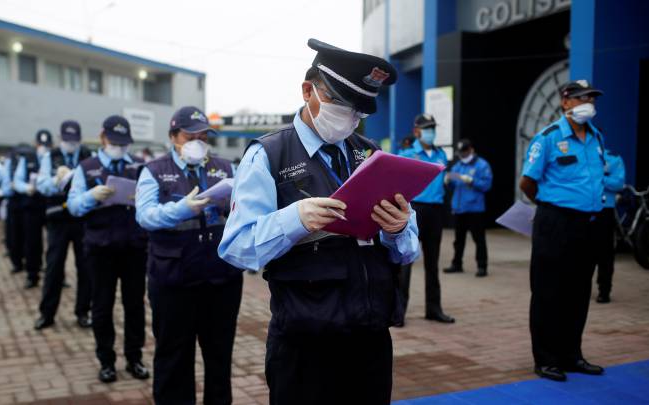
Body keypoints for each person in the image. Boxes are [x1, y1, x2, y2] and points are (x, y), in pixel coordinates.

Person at [219, 39, 419, 405]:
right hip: (306, 339)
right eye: (340, 103)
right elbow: (236, 247)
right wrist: (294, 219)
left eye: (358, 111)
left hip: (370, 333)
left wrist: (398, 229)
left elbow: (407, 251)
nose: (349, 117)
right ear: (308, 90)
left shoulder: (370, 154)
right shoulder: (268, 154)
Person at [136, 106, 243, 405]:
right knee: (174, 357)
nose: (198, 141)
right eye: (190, 135)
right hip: (174, 280)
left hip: (221, 278)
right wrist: (183, 208)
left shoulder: (225, 168)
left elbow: (243, 209)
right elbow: (145, 216)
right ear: (173, 137)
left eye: (203, 136)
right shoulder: (153, 170)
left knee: (219, 357)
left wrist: (229, 205)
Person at [519, 79, 607, 382]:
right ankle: (546, 359)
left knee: (579, 291)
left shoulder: (596, 138)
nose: (589, 103)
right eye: (583, 98)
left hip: (589, 225)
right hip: (555, 223)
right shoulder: (547, 138)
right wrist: (551, 207)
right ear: (565, 101)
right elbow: (527, 183)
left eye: (592, 98)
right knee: (548, 293)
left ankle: (572, 355)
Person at [67, 115, 149, 383]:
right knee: (102, 305)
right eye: (114, 142)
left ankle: (134, 357)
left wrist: (143, 199)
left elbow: (152, 202)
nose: (119, 147)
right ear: (102, 138)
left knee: (134, 304)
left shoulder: (138, 166)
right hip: (100, 249)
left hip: (134, 247)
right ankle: (106, 360)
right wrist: (91, 196)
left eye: (124, 143)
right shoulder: (86, 167)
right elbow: (74, 205)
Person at [34, 120, 93, 330]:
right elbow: (41, 185)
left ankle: (83, 311)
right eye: (67, 140)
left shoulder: (87, 155)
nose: (71, 144)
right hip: (58, 220)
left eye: (74, 140)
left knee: (85, 267)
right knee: (54, 266)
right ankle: (47, 313)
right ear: (60, 139)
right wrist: (55, 180)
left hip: (82, 219)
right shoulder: (51, 156)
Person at [397, 114, 455, 324]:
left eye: (433, 128)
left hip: (436, 212)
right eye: (427, 128)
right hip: (414, 209)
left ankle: (434, 308)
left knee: (433, 262)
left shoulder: (441, 155)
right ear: (417, 131)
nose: (431, 132)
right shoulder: (407, 154)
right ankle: (399, 311)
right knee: (406, 261)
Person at [443, 139, 493, 277]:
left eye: (464, 151)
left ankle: (482, 266)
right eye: (460, 152)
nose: (462, 154)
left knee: (479, 239)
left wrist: (472, 181)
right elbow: (453, 186)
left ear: (471, 149)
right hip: (459, 208)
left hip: (475, 209)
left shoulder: (482, 165)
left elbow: (487, 185)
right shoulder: (457, 165)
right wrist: (448, 181)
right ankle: (457, 264)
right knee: (459, 240)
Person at [11, 132, 51, 289]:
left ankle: (56, 276)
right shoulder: (27, 159)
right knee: (32, 242)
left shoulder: (54, 158)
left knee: (55, 243)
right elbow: (17, 181)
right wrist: (27, 188)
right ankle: (32, 274)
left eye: (46, 145)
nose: (43, 148)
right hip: (32, 205)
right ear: (36, 144)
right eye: (41, 145)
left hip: (49, 205)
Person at [595, 149, 625, 303]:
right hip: (580, 209)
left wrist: (598, 178)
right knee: (579, 252)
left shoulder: (613, 159)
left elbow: (618, 183)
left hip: (604, 210)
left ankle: (604, 290)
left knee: (605, 253)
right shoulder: (578, 156)